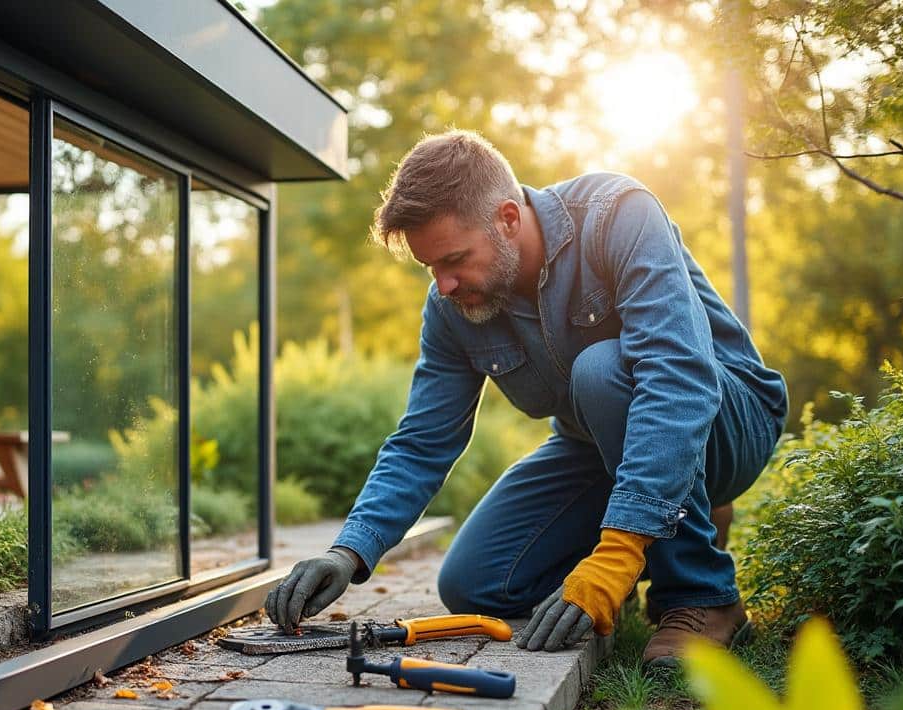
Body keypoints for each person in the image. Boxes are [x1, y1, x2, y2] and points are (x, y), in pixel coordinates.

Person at [264, 130, 787, 668]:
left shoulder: (618, 215)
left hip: (723, 420)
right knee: (476, 581)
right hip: (594, 447)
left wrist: (615, 555)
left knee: (600, 370)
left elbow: (678, 377)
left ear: (509, 218)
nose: (444, 284)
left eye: (454, 259)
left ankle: (702, 594)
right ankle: (653, 534)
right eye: (431, 267)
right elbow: (423, 440)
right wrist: (349, 551)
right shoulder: (451, 307)